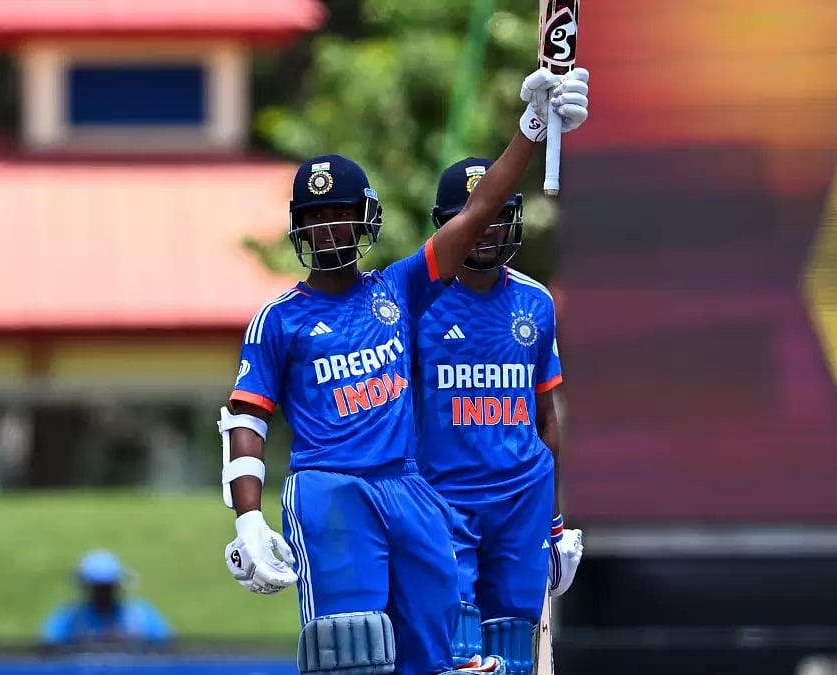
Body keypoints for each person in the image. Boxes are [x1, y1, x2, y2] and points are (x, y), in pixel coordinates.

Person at [218, 66, 590, 675]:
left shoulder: (401, 288)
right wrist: (249, 518)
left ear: (366, 219)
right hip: (331, 487)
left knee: (442, 652)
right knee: (352, 648)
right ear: (297, 227)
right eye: (314, 217)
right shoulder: (280, 319)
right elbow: (243, 419)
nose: (327, 228)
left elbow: (479, 212)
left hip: (411, 489)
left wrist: (529, 127)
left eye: (339, 214)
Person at [414, 159, 583, 674]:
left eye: (497, 217)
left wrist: (555, 522)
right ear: (447, 223)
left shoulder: (535, 301)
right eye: (471, 218)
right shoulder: (414, 303)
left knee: (513, 651)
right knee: (459, 652)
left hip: (521, 502)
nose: (485, 231)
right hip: (446, 501)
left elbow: (547, 421)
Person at [41, 550, 172, 649]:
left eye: (107, 587)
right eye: (97, 588)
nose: (102, 593)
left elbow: (167, 649)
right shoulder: (70, 618)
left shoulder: (140, 616)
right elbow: (50, 651)